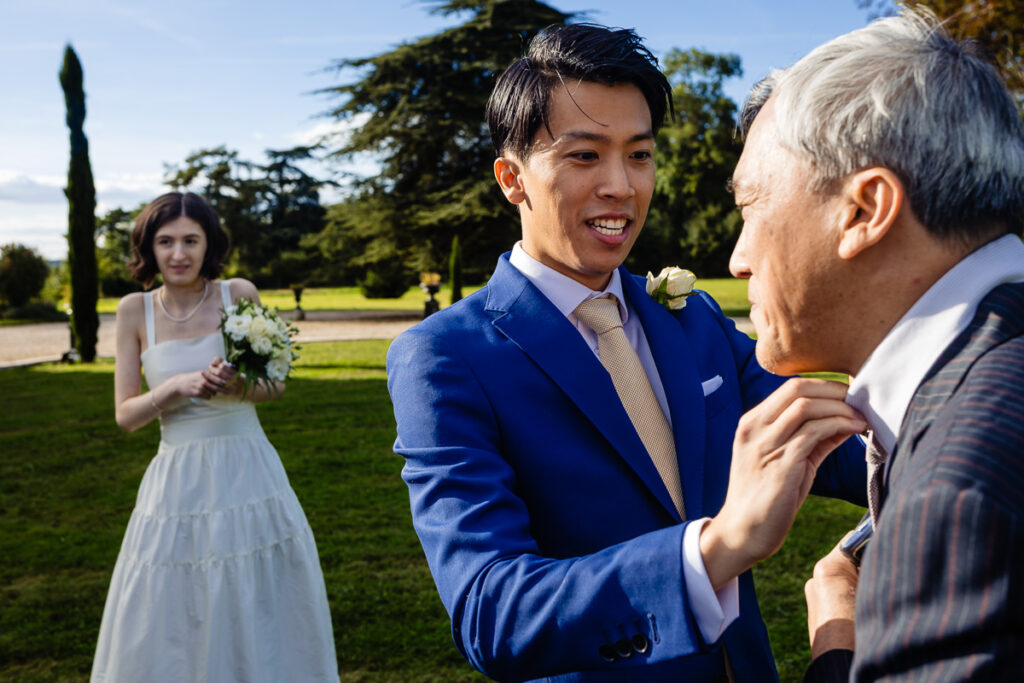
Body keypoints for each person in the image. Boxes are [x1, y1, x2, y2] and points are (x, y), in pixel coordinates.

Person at [387, 23, 868, 682]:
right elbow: (492, 611)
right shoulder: (442, 356)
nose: (621, 185)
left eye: (639, 155)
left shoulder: (690, 316)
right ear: (511, 178)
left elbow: (835, 442)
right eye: (584, 156)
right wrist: (717, 548)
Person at [728, 9, 1024, 680]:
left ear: (864, 211)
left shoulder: (957, 491)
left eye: (749, 208)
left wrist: (839, 643)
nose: (739, 258)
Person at [91, 192, 338, 682]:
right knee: (175, 600)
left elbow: (276, 387)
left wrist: (239, 386)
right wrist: (173, 389)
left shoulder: (237, 294)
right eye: (165, 241)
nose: (178, 254)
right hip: (176, 478)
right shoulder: (132, 311)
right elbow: (125, 415)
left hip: (247, 469)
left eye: (190, 240)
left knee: (252, 588)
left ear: (209, 245)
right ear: (149, 246)